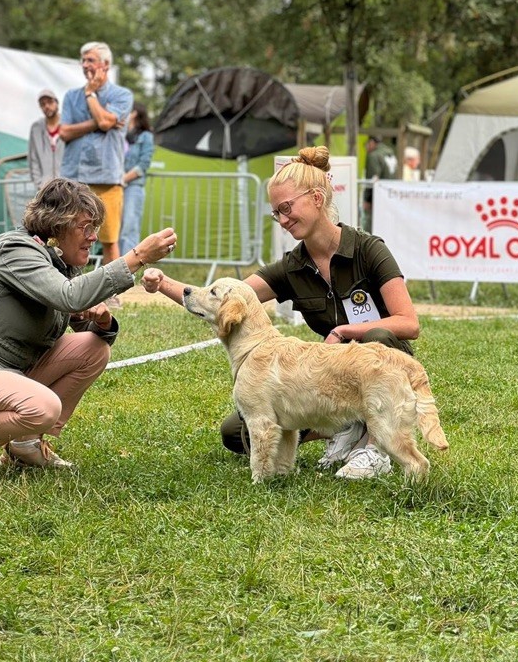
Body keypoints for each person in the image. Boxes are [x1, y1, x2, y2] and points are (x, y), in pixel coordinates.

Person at [142, 145, 420, 480]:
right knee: (236, 433)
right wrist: (162, 283)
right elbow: (225, 300)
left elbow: (408, 323)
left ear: (316, 198)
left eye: (286, 208)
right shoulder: (291, 267)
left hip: (382, 373)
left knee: (378, 336)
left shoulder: (368, 249)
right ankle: (347, 426)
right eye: (276, 213)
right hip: (327, 379)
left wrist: (345, 332)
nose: (283, 220)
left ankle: (375, 449)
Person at [0, 178, 179, 477]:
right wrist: (138, 257)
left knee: (93, 349)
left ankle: (24, 445)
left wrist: (101, 322)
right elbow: (69, 296)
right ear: (56, 225)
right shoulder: (16, 249)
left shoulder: (58, 261)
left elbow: (72, 308)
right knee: (42, 407)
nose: (93, 237)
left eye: (95, 227)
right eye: (85, 227)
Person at [60, 42, 133, 309]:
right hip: (74, 178)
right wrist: (99, 122)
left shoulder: (122, 95)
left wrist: (91, 96)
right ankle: (67, 288)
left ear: (105, 65)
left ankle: (111, 294)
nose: (85, 65)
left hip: (107, 178)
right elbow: (64, 132)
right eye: (83, 60)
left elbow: (105, 122)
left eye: (90, 60)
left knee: (109, 238)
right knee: (68, 234)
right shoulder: (70, 96)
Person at [119, 103, 155, 255]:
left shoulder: (146, 136)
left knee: (130, 228)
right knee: (115, 229)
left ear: (134, 113)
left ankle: (129, 265)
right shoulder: (119, 134)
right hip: (116, 187)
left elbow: (143, 165)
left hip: (133, 187)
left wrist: (123, 179)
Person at [27, 88, 64, 188]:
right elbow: (33, 157)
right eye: (43, 104)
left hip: (68, 186)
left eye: (50, 102)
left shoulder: (68, 123)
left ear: (57, 103)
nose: (47, 106)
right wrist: (39, 183)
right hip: (45, 187)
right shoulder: (36, 128)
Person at [362, 134, 397, 231]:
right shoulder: (390, 153)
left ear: (372, 142)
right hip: (390, 194)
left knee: (370, 225)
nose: (366, 148)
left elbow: (372, 179)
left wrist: (367, 199)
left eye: (367, 144)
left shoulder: (374, 155)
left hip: (376, 197)